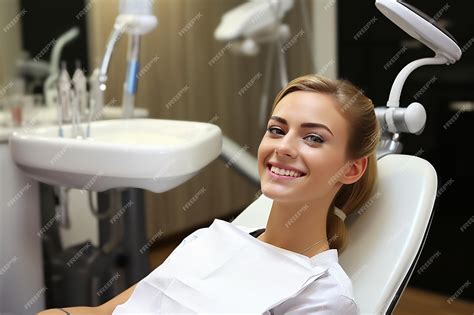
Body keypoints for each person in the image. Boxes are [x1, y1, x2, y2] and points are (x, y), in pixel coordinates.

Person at [38, 74, 379, 314]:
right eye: (276, 130)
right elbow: (108, 312)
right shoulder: (206, 241)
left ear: (351, 169)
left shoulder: (320, 296)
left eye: (314, 138)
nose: (284, 148)